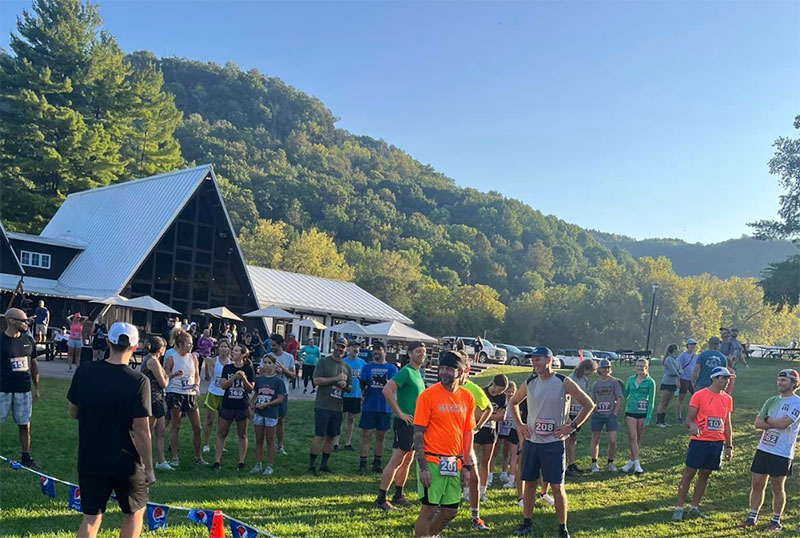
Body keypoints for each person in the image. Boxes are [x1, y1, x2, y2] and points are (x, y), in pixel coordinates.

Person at [67, 322, 155, 538]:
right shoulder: (139, 380)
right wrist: (150, 468)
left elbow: (73, 411)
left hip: (90, 457)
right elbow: (142, 430)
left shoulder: (85, 371)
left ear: (108, 342)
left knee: (91, 517)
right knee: (135, 512)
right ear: (135, 348)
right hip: (126, 461)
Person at [509, 346, 595, 538]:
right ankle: (526, 522)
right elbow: (513, 402)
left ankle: (562, 528)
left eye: (537, 359)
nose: (534, 363)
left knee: (557, 487)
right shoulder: (530, 382)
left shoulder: (563, 382)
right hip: (532, 442)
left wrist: (572, 426)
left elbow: (588, 404)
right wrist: (520, 425)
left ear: (549, 360)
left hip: (553, 444)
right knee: (529, 484)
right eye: (532, 360)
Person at [412, 350, 476, 538]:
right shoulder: (428, 395)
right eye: (443, 368)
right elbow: (417, 433)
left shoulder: (467, 397)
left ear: (462, 371)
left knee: (450, 511)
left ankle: (429, 535)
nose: (445, 373)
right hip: (431, 462)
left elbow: (467, 433)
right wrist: (422, 467)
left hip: (454, 463)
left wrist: (466, 465)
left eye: (450, 369)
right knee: (428, 510)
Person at [739, 369, 800, 531]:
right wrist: (770, 421)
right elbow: (757, 423)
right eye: (779, 380)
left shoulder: (797, 402)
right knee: (757, 483)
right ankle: (752, 517)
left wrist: (767, 420)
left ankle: (776, 521)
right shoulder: (771, 400)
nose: (780, 383)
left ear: (794, 383)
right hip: (764, 448)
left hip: (781, 451)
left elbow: (783, 424)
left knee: (777, 487)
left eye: (784, 380)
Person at [673, 366, 735, 521]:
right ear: (714, 379)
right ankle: (679, 508)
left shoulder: (727, 398)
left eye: (728, 378)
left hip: (716, 442)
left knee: (705, 473)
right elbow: (690, 418)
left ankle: (694, 507)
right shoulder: (699, 395)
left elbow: (727, 423)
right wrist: (693, 426)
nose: (727, 381)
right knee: (689, 473)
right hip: (700, 441)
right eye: (724, 378)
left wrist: (729, 446)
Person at [375, 340, 427, 511]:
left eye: (423, 351)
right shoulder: (405, 372)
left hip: (415, 424)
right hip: (404, 423)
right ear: (410, 354)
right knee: (396, 460)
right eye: (418, 351)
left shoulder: (418, 373)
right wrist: (400, 413)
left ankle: (398, 495)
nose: (422, 354)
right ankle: (381, 499)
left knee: (407, 461)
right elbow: (387, 390)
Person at [0, 307, 40, 468]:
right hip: (2, 389)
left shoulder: (28, 340)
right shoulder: (1, 341)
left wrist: (36, 386)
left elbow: (34, 363)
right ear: (11, 321)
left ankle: (26, 456)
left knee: (25, 424)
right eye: (23, 320)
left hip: (23, 389)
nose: (27, 323)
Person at [309, 336, 353, 475]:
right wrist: (335, 379)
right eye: (338, 345)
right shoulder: (324, 362)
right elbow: (316, 380)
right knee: (319, 435)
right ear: (333, 345)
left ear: (346, 350)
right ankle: (311, 465)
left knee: (331, 436)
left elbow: (350, 387)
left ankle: (324, 465)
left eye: (343, 347)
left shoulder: (347, 367)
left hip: (337, 406)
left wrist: (345, 386)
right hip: (323, 405)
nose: (340, 349)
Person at [470, 374, 508, 529]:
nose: (500, 392)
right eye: (499, 389)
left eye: (503, 390)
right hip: (477, 429)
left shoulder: (502, 398)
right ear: (494, 384)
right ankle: (467, 490)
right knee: (472, 461)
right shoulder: (482, 392)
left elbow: (502, 416)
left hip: (491, 431)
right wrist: (492, 415)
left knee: (486, 462)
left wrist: (489, 415)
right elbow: (478, 413)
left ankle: (482, 490)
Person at [164, 329, 205, 466]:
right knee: (175, 426)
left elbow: (197, 376)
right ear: (180, 344)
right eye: (188, 344)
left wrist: (197, 385)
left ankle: (198, 457)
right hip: (176, 393)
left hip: (190, 394)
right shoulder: (171, 357)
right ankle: (175, 457)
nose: (191, 346)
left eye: (192, 343)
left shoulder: (193, 357)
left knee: (197, 427)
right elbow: (164, 377)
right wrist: (173, 375)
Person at [212, 344, 255, 471]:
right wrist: (234, 378)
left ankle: (241, 461)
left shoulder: (248, 369)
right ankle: (217, 461)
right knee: (222, 433)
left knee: (242, 434)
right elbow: (223, 385)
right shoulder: (227, 368)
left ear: (243, 355)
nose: (233, 352)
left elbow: (251, 389)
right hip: (227, 404)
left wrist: (244, 378)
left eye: (237, 351)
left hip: (242, 405)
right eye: (233, 350)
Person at [461, 363, 493, 531]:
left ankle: (475, 517)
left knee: (474, 478)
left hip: (467, 439)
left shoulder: (472, 389)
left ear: (466, 369)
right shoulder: (442, 388)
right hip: (446, 441)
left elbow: (488, 408)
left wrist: (479, 425)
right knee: (446, 479)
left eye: (463, 369)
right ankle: (437, 513)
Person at [358, 341, 398, 475]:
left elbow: (394, 386)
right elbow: (362, 385)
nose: (375, 352)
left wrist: (385, 382)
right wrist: (362, 385)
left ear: (384, 351)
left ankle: (377, 462)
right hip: (369, 405)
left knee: (381, 436)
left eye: (378, 349)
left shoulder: (391, 368)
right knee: (366, 435)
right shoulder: (367, 367)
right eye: (374, 349)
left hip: (385, 406)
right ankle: (363, 463)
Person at [140, 336, 174, 471]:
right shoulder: (152, 361)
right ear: (160, 349)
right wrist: (167, 377)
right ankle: (141, 460)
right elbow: (163, 382)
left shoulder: (154, 360)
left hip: (159, 398)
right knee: (147, 432)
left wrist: (172, 375)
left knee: (160, 431)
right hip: (152, 399)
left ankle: (161, 461)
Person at [250, 354, 286, 475]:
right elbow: (256, 394)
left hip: (271, 413)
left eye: (269, 363)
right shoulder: (260, 379)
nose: (267, 365)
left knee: (270, 439)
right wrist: (252, 403)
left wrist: (267, 404)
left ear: (274, 365)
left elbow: (280, 398)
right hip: (259, 412)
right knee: (259, 439)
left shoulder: (278, 381)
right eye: (265, 362)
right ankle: (258, 464)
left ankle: (269, 465)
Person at [620, 358, 655, 474]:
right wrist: (620, 385)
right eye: (638, 366)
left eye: (642, 366)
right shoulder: (630, 379)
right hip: (630, 411)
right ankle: (637, 464)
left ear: (646, 367)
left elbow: (651, 402)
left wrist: (648, 418)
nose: (639, 368)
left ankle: (631, 461)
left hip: (643, 413)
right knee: (633, 438)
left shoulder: (650, 382)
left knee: (638, 438)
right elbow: (626, 394)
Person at [589, 358, 623, 472]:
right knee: (595, 438)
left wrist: (615, 412)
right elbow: (593, 399)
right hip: (598, 414)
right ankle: (594, 463)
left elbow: (619, 398)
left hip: (610, 415)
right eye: (604, 367)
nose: (606, 370)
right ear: (599, 369)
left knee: (612, 440)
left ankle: (610, 462)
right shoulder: (596, 384)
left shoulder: (614, 382)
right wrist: (593, 411)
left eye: (608, 367)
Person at [566, 359, 597, 477]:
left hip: (579, 412)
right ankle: (564, 467)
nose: (590, 374)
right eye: (590, 371)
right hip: (570, 412)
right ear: (585, 368)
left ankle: (571, 463)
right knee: (567, 439)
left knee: (573, 438)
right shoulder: (571, 378)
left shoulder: (585, 380)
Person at [202, 339, 231, 453]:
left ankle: (221, 444)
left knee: (223, 422)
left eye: (226, 347)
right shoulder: (214, 360)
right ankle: (206, 443)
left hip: (225, 394)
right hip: (213, 392)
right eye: (221, 346)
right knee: (209, 420)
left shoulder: (230, 363)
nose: (223, 349)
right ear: (218, 348)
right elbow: (209, 377)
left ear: (229, 349)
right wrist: (208, 365)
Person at [270, 334, 295, 455]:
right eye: (271, 345)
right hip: (268, 391)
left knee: (280, 420)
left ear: (280, 345)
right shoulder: (267, 356)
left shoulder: (289, 357)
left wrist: (284, 370)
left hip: (283, 392)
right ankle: (269, 444)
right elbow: (260, 371)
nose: (272, 347)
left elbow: (293, 375)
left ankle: (280, 445)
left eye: (274, 345)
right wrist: (271, 369)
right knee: (268, 419)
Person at [341, 340, 366, 451]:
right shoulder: (343, 362)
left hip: (356, 395)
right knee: (341, 418)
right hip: (344, 394)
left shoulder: (362, 363)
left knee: (351, 419)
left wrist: (363, 394)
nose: (356, 349)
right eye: (353, 347)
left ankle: (348, 442)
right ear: (348, 349)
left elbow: (365, 380)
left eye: (357, 347)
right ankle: (335, 442)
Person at [498, 381, 520, 488]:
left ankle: (505, 473)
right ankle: (490, 475)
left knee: (509, 453)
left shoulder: (517, 403)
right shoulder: (502, 401)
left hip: (512, 430)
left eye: (512, 392)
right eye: (508, 391)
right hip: (501, 429)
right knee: (496, 452)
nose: (510, 394)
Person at [656, 344, 681, 427]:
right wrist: (678, 373)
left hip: (673, 383)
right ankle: (659, 421)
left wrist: (678, 372)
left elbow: (681, 370)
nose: (678, 350)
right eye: (677, 349)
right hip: (667, 383)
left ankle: (663, 421)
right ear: (673, 350)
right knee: (663, 401)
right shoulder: (668, 359)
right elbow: (673, 371)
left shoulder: (676, 359)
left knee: (667, 403)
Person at [676, 339, 698, 424]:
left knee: (696, 397)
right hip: (684, 378)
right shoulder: (683, 355)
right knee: (681, 397)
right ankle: (678, 416)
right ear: (687, 346)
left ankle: (695, 416)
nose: (692, 346)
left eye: (694, 345)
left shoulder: (696, 357)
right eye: (691, 344)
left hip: (692, 379)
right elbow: (678, 366)